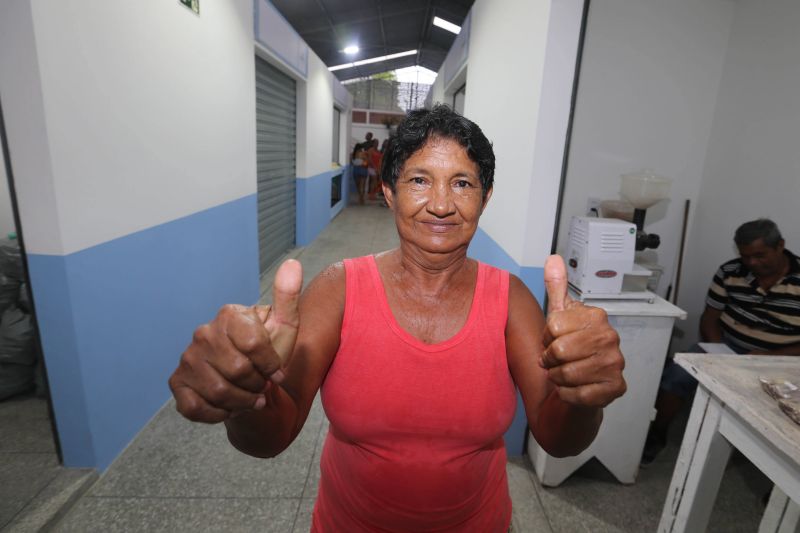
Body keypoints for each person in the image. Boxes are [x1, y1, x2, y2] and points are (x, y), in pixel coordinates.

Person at [169, 105, 626, 532]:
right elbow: (271, 437)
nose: (442, 204)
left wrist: (582, 395)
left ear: (485, 198)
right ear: (389, 192)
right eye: (420, 180)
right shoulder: (339, 289)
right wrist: (246, 397)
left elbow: (559, 438)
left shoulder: (512, 300)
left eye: (463, 183)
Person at [643, 218, 800, 464]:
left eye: (760, 255)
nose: (752, 263)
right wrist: (721, 353)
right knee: (676, 375)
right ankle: (657, 434)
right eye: (746, 256)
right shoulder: (730, 272)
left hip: (782, 357)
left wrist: (767, 357)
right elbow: (710, 318)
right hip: (728, 347)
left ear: (780, 245)